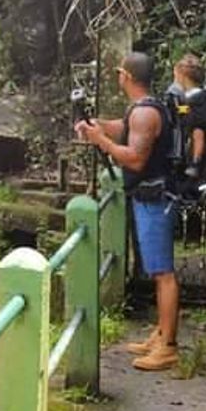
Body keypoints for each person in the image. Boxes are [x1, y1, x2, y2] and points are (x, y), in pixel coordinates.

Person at [75, 51, 179, 371]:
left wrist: (100, 141)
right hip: (147, 197)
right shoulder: (143, 108)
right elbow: (123, 128)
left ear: (127, 77)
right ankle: (161, 333)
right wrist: (99, 126)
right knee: (157, 269)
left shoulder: (146, 115)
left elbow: (134, 158)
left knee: (163, 274)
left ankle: (168, 347)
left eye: (120, 72)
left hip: (155, 199)